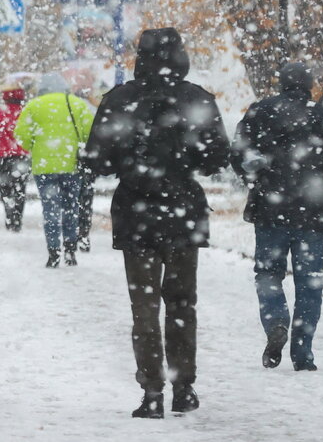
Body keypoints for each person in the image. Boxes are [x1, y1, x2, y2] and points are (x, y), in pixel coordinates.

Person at [83, 27, 230, 419]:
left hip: (136, 214)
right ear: (180, 55)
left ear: (140, 56)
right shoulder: (198, 99)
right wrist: (185, 158)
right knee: (182, 303)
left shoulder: (119, 99)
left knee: (144, 308)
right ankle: (184, 387)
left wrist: (129, 161)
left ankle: (151, 391)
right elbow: (216, 158)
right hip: (183, 212)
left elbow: (97, 160)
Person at [230, 61, 323, 371]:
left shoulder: (260, 112)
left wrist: (254, 173)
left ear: (281, 83)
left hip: (269, 210)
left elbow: (236, 153)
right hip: (311, 215)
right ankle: (303, 354)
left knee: (268, 274)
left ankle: (276, 321)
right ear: (310, 85)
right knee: (309, 283)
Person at [14, 74, 93, 267]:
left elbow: (21, 135)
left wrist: (35, 146)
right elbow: (90, 132)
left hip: (44, 167)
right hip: (72, 164)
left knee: (50, 209)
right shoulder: (77, 104)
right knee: (71, 208)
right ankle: (70, 250)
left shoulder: (33, 106)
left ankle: (53, 251)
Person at [0, 87, 31, 231]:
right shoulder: (26, 112)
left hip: (5, 157)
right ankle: (17, 218)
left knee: (5, 187)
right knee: (20, 188)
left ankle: (9, 214)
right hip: (22, 156)